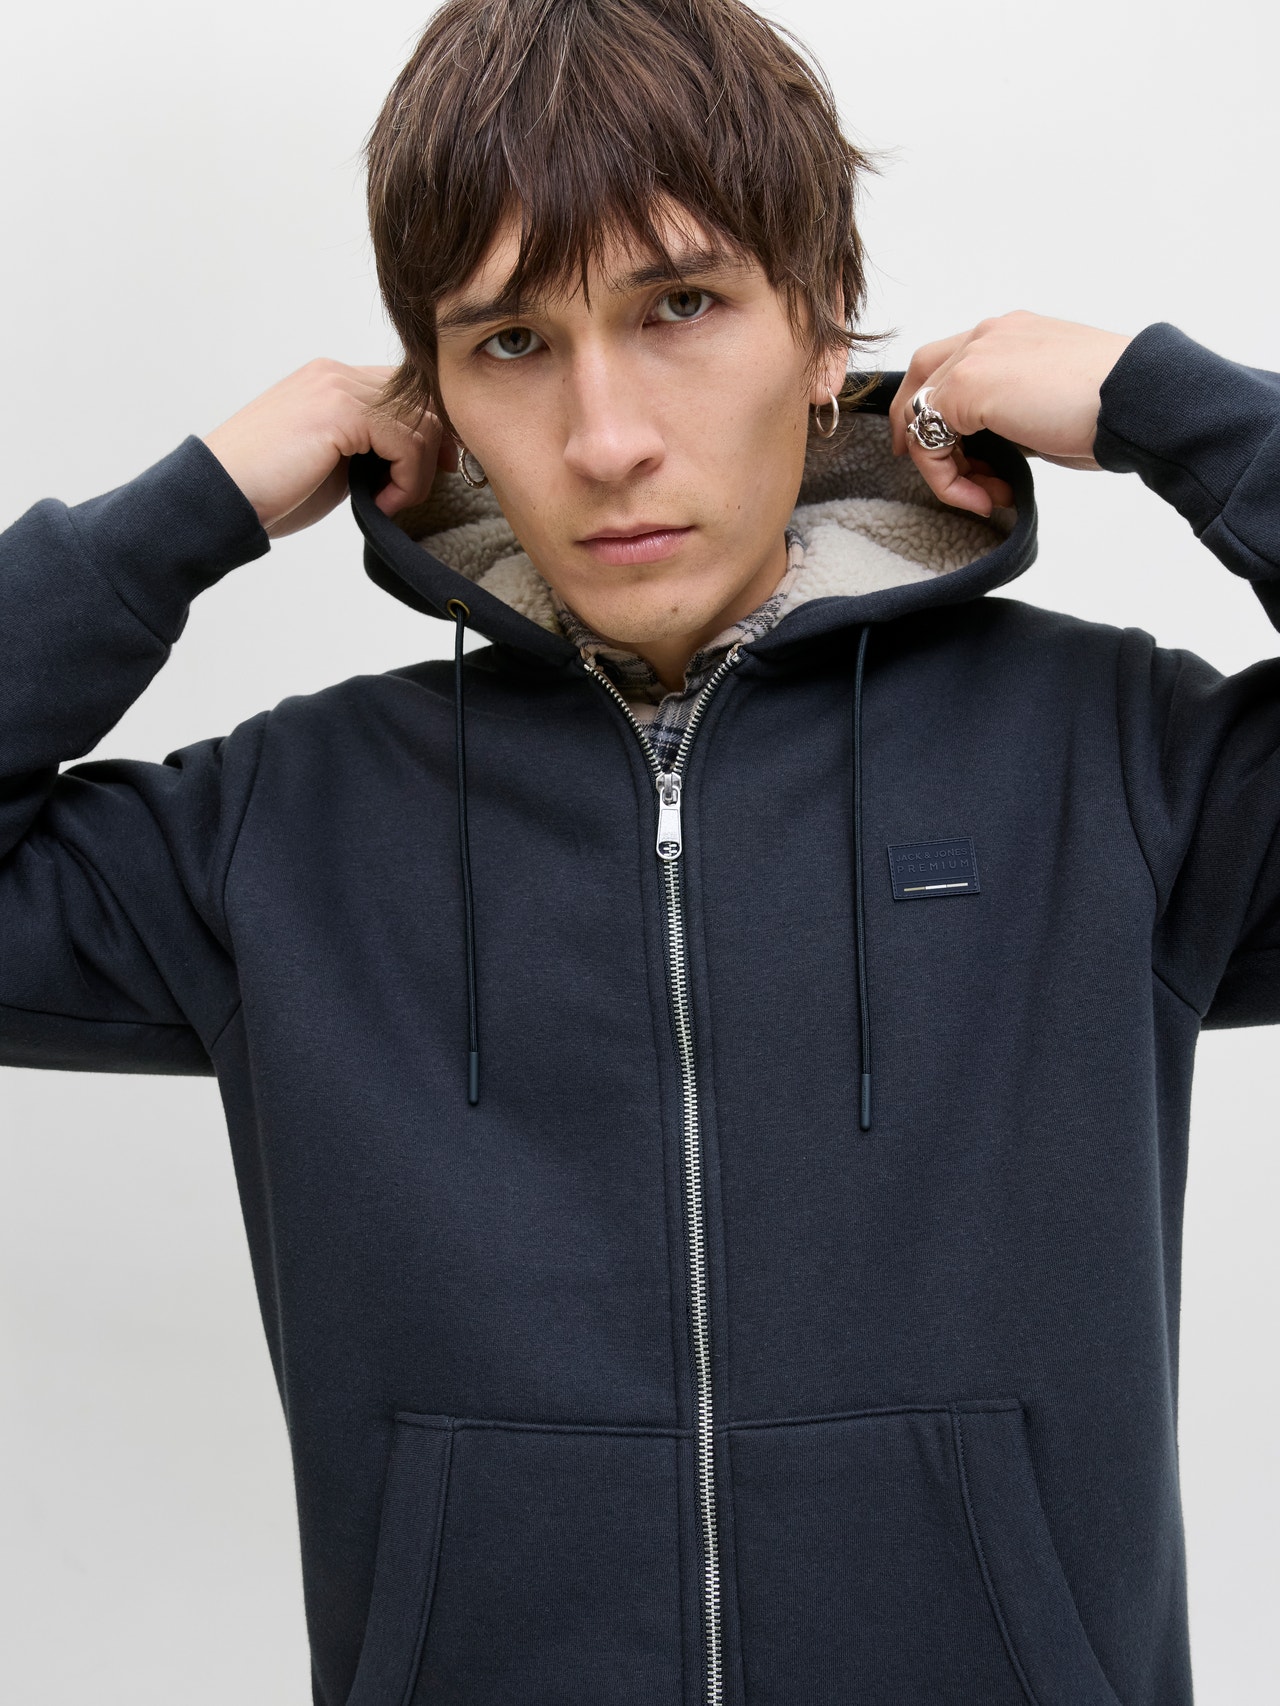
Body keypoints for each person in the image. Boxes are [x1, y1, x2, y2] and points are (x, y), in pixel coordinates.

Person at [2, 0, 1276, 1700]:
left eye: (680, 307)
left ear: (822, 323)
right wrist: (196, 504)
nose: (604, 438)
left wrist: (1166, 403)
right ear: (433, 395)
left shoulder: (1112, 763)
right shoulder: (285, 828)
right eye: (513, 342)